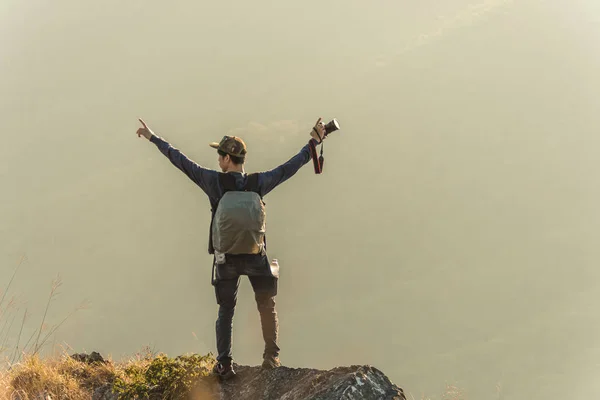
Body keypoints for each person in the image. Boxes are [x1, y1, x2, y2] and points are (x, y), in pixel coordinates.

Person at [135, 117, 327, 380]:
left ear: (227, 159)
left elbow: (179, 160)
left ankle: (225, 364)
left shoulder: (214, 182)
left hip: (226, 258)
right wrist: (313, 143)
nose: (218, 160)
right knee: (266, 304)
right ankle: (271, 357)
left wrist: (153, 137)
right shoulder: (258, 183)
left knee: (226, 309)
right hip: (254, 254)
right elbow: (288, 168)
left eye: (220, 155)